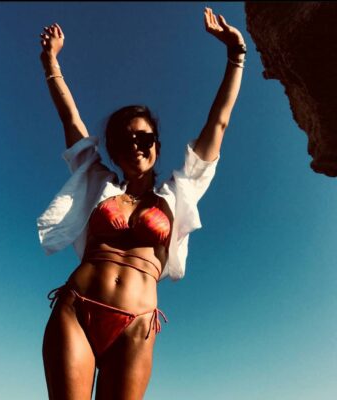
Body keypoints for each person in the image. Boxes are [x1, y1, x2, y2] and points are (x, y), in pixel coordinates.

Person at [37, 7, 246, 400]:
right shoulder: (98, 181)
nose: (136, 145)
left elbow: (217, 125)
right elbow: (70, 119)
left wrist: (236, 56)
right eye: (125, 139)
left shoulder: (179, 192)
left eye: (144, 138)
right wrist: (51, 63)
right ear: (114, 150)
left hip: (136, 324)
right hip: (76, 310)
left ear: (157, 147)